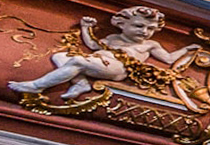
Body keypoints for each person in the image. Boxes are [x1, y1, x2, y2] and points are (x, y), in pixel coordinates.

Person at [10, 5, 200, 100]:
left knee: (78, 62)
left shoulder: (150, 45)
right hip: (99, 59)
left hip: (118, 68)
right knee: (59, 56)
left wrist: (186, 49)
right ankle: (81, 83)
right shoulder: (112, 39)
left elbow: (168, 59)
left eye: (150, 28)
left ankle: (36, 85)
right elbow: (93, 45)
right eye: (139, 26)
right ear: (122, 24)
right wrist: (85, 28)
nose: (144, 32)